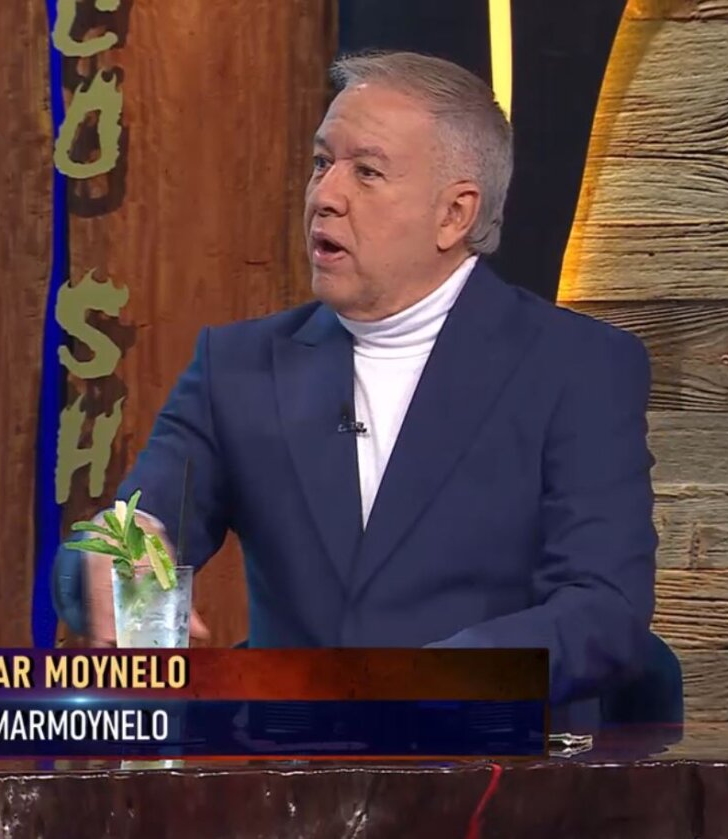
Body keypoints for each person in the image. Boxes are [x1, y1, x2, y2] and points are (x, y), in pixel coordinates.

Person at [54, 50, 657, 728]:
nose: (325, 196)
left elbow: (603, 611)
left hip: (492, 767)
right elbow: (136, 527)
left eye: (366, 172)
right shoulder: (239, 367)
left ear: (455, 214)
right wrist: (114, 555)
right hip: (288, 771)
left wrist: (431, 685)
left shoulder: (576, 367)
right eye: (322, 163)